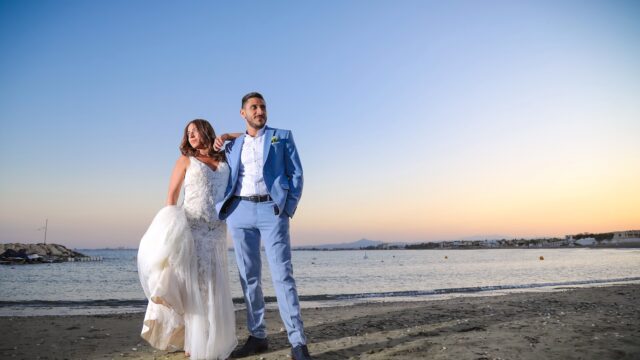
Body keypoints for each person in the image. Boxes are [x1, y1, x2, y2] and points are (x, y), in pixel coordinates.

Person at [215, 92, 312, 360]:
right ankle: (258, 336)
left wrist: (287, 207)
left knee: (283, 276)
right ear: (243, 113)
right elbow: (208, 157)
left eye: (263, 107)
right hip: (239, 211)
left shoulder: (282, 136)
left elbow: (297, 173)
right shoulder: (232, 145)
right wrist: (223, 137)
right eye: (254, 107)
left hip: (273, 210)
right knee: (249, 278)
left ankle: (298, 343)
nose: (260, 111)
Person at [137, 119, 240, 359]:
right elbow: (171, 198)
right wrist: (169, 232)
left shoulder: (225, 159)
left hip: (216, 231)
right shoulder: (185, 161)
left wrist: (224, 136)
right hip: (191, 229)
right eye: (188, 132)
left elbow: (247, 138)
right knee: (194, 285)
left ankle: (213, 340)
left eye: (195, 130)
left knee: (214, 283)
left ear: (206, 131)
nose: (191, 135)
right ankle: (193, 343)